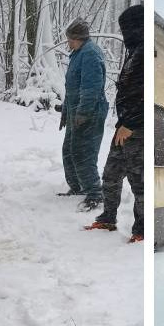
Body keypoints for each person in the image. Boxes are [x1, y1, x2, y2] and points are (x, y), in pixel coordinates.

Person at [84, 4, 143, 242]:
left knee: (140, 183)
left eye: (126, 28)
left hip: (136, 129)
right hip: (124, 125)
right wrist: (123, 122)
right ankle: (108, 218)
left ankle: (142, 230)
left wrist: (132, 123)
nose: (124, 33)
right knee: (111, 174)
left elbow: (144, 93)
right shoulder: (134, 51)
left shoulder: (145, 52)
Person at [59, 19, 108, 211]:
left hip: (90, 113)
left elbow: (91, 88)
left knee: (84, 153)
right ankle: (78, 187)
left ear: (78, 38)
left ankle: (95, 193)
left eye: (70, 39)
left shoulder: (90, 54)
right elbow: (72, 87)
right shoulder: (78, 53)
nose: (68, 42)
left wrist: (84, 112)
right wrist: (66, 111)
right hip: (76, 111)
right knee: (69, 150)